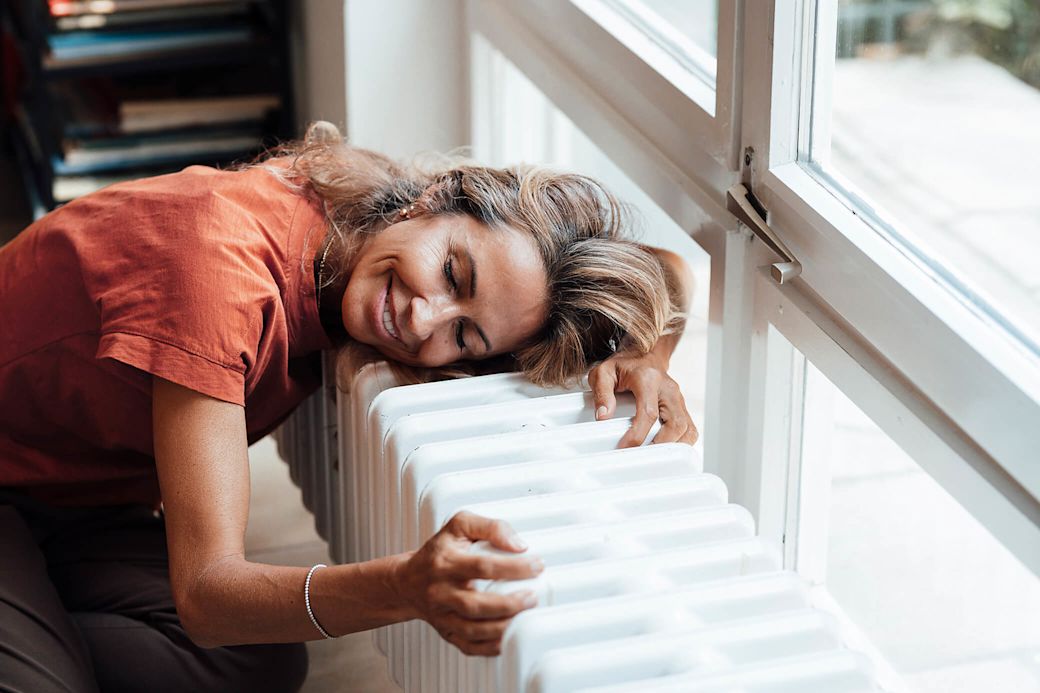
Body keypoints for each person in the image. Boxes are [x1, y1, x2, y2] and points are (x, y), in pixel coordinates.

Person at [0, 121, 698, 692]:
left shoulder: (351, 219)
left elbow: (668, 266)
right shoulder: (218, 275)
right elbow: (210, 593)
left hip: (71, 498)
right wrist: (407, 585)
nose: (426, 320)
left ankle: (36, 619)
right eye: (453, 274)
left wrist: (646, 356)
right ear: (428, 201)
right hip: (19, 483)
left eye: (465, 334)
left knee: (261, 659)